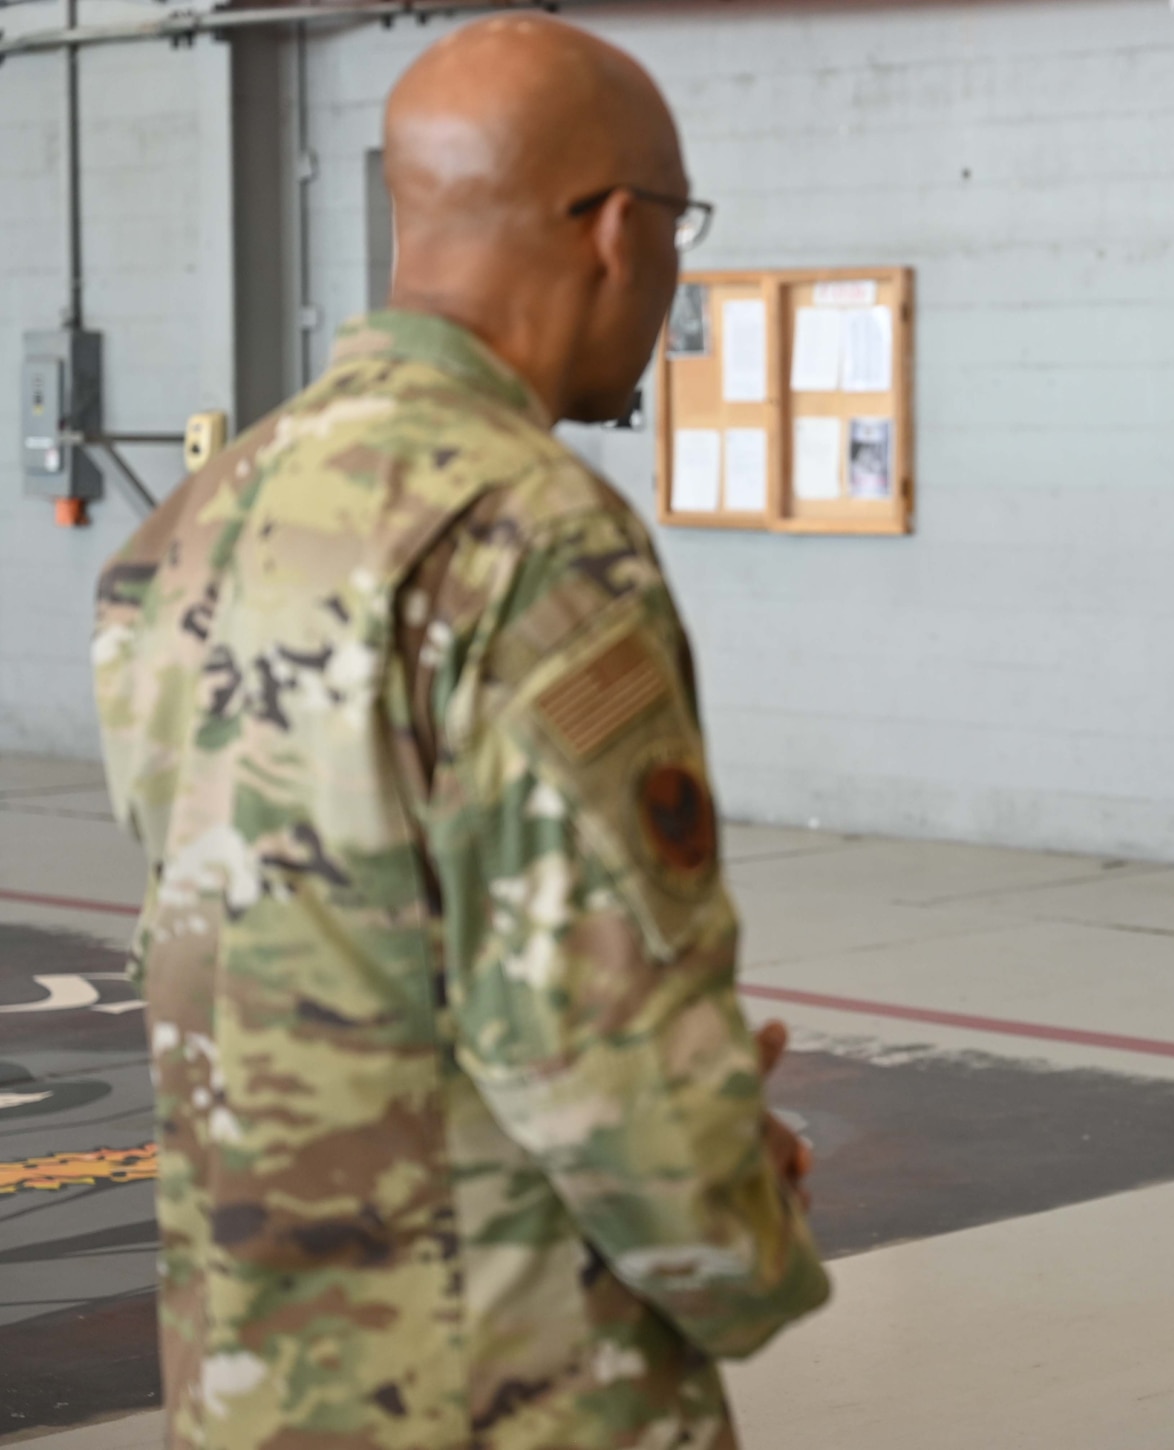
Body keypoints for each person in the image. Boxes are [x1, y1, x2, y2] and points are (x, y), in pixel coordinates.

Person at [91, 17, 827, 1448]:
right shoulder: (533, 537)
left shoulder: (202, 517)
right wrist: (746, 1221)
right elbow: (597, 1036)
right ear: (618, 229)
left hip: (255, 1374)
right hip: (505, 1381)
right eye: (679, 226)